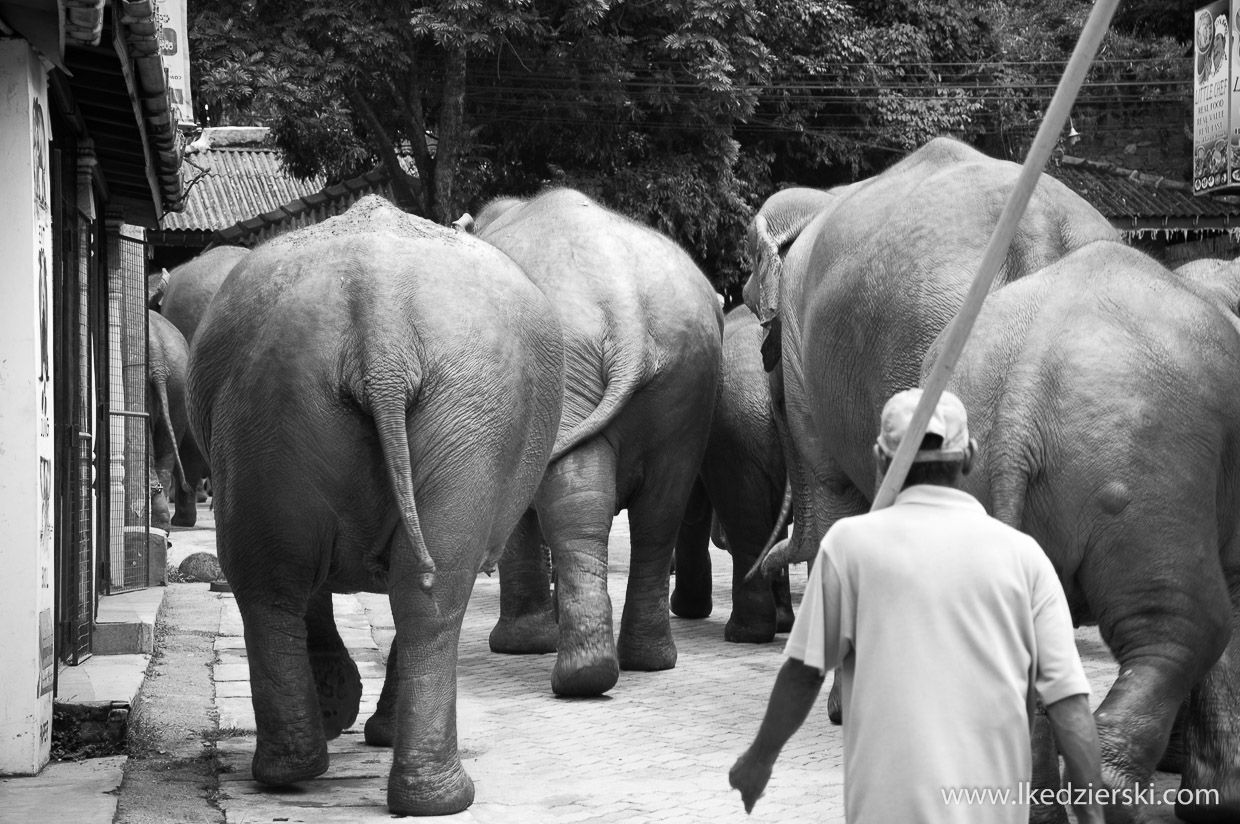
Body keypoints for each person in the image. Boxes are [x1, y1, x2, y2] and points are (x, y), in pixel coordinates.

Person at [729, 388, 1105, 824]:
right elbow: (1069, 702)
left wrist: (760, 759)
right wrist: (1091, 814)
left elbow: (803, 672)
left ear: (880, 459)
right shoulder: (1025, 558)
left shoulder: (849, 549)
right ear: (970, 458)